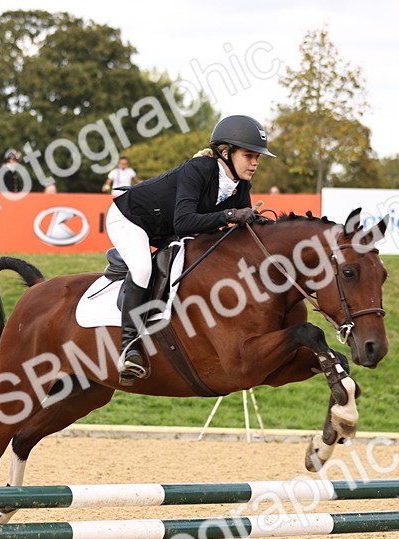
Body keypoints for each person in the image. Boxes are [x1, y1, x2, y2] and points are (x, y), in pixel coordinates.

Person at [107, 114, 274, 384]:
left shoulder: (241, 184)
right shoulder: (199, 169)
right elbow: (184, 222)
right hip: (130, 218)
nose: (255, 163)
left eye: (258, 157)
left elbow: (235, 231)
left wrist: (258, 223)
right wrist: (231, 214)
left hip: (165, 230)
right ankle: (129, 348)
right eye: (249, 155)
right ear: (226, 152)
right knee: (142, 268)